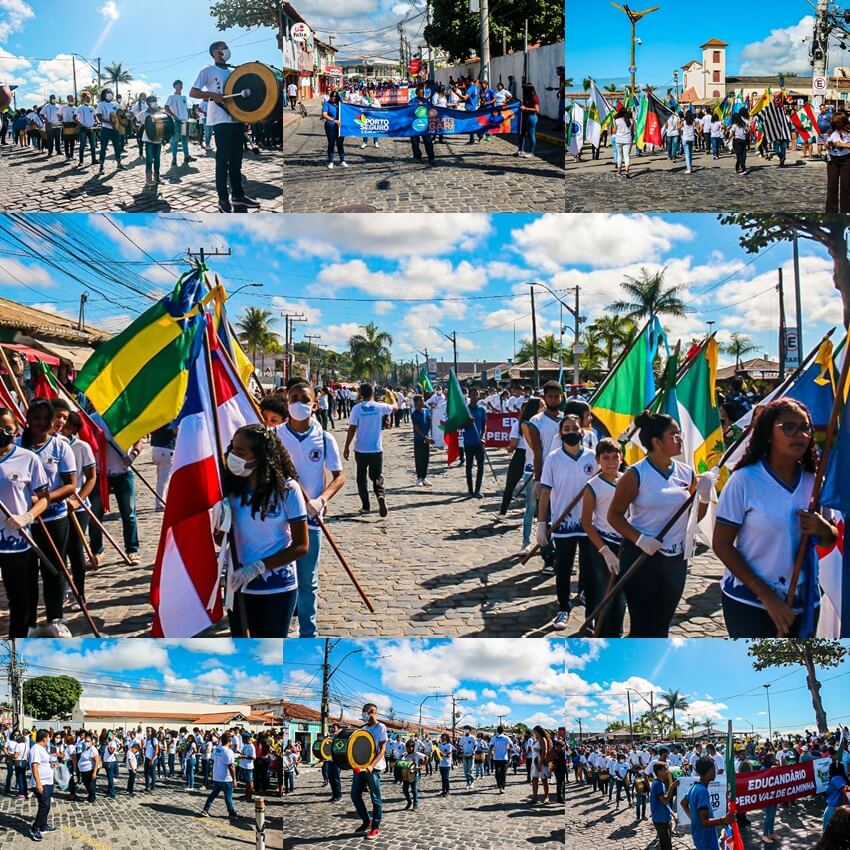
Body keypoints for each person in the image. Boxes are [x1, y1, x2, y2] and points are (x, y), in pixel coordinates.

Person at [714, 399, 838, 637]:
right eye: (789, 428)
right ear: (768, 433)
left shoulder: (814, 483)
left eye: (805, 428)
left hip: (805, 602)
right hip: (750, 603)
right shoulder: (744, 480)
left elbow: (829, 539)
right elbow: (722, 544)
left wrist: (823, 529)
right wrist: (767, 596)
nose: (800, 434)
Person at [608, 411, 712, 638]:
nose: (680, 438)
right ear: (656, 442)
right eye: (673, 434)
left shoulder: (686, 472)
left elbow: (693, 517)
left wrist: (703, 498)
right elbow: (614, 516)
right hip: (641, 558)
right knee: (643, 626)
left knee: (663, 624)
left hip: (675, 559)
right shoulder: (635, 475)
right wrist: (640, 539)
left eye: (679, 433)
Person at [221, 424, 309, 637]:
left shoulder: (287, 490)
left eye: (241, 452)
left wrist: (258, 567)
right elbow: (222, 538)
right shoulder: (231, 489)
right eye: (233, 449)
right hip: (239, 587)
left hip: (277, 588)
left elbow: (301, 546)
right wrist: (218, 523)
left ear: (260, 457)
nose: (234, 456)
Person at [274, 381, 345, 638]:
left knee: (307, 581)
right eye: (293, 399)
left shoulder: (325, 438)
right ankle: (281, 626)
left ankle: (308, 634)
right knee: (282, 579)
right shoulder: (275, 436)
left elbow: (339, 476)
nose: (298, 404)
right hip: (278, 520)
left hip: (310, 519)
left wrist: (322, 500)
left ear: (315, 404)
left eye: (304, 399)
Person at [18, 400, 77, 636]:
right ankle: (29, 622)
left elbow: (70, 485)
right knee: (27, 572)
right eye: (37, 418)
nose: (41, 423)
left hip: (54, 519)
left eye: (46, 418)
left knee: (54, 568)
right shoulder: (17, 448)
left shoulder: (61, 447)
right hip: (25, 523)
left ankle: (55, 617)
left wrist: (45, 500)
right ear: (28, 420)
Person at [537, 415, 599, 630]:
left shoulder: (593, 458)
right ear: (560, 433)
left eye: (575, 427)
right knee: (563, 568)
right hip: (563, 524)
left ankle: (591, 612)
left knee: (590, 569)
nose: (571, 431)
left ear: (582, 431)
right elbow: (545, 492)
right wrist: (542, 523)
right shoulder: (553, 459)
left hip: (590, 524)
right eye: (566, 428)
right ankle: (563, 606)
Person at [190, 41, 260, 213]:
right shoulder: (207, 70)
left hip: (236, 119)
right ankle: (222, 199)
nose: (227, 51)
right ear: (216, 52)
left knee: (236, 161)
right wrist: (212, 94)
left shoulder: (233, 72)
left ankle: (238, 196)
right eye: (224, 48)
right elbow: (193, 92)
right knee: (222, 161)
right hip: (220, 120)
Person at [0, 407, 51, 639]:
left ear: (16, 430)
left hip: (16, 543)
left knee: (19, 599)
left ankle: (16, 644)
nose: (2, 432)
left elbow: (44, 498)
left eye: (7, 429)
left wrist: (27, 516)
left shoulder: (27, 459)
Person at [580, 438, 626, 637]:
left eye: (615, 457)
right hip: (603, 543)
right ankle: (602, 634)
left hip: (625, 543)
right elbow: (586, 523)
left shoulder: (627, 481)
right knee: (604, 593)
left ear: (621, 458)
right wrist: (604, 550)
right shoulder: (592, 486)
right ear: (598, 460)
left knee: (621, 595)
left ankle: (616, 633)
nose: (611, 462)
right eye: (606, 458)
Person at [343, 384, 397, 517]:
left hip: (361, 449)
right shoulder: (379, 407)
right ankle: (380, 495)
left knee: (361, 478)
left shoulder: (357, 408)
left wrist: (346, 446)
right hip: (376, 449)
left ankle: (366, 506)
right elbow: (395, 408)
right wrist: (391, 397)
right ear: (373, 392)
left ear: (360, 393)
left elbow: (352, 428)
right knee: (377, 476)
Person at [350, 703, 387, 841]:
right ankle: (367, 821)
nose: (363, 714)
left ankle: (375, 827)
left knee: (375, 798)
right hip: (360, 767)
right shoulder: (363, 728)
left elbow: (382, 749)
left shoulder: (381, 727)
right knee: (354, 795)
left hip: (374, 768)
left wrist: (372, 765)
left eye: (364, 711)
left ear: (372, 712)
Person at [681, 756, 735, 850]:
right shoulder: (702, 791)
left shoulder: (694, 787)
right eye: (714, 768)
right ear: (710, 770)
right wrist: (723, 820)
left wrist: (694, 818)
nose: (715, 771)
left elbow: (683, 803)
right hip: (706, 839)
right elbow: (705, 822)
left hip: (699, 835)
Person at [202, 731, 240, 819]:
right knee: (228, 797)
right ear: (230, 741)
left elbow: (212, 759)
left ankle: (205, 809)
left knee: (213, 794)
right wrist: (234, 779)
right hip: (226, 778)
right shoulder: (229, 751)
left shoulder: (216, 749)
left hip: (216, 776)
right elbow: (231, 766)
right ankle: (232, 813)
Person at [462, 388, 487, 497]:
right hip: (468, 442)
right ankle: (470, 489)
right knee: (469, 466)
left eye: (476, 394)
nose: (475, 396)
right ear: (469, 396)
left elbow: (484, 425)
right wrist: (468, 422)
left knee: (481, 466)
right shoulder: (465, 410)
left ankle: (478, 489)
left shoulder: (482, 410)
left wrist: (483, 437)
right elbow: (460, 426)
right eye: (473, 394)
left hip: (479, 442)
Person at [164, 79, 195, 168]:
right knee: (175, 140)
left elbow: (186, 109)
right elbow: (166, 107)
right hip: (177, 121)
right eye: (178, 84)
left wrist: (189, 117)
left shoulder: (184, 97)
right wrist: (174, 116)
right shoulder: (171, 96)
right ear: (174, 86)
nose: (180, 86)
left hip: (184, 121)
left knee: (185, 140)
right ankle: (174, 158)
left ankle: (186, 157)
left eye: (181, 84)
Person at [649, 761, 678, 850]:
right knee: (666, 845)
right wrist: (672, 787)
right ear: (659, 771)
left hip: (665, 817)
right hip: (660, 819)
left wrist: (672, 814)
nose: (667, 771)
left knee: (667, 843)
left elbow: (665, 804)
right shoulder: (657, 784)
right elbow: (665, 801)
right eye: (665, 770)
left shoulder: (661, 783)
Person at [94, 88, 123, 175]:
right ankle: (101, 166)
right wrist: (109, 122)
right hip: (106, 129)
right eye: (107, 93)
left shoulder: (115, 104)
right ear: (104, 95)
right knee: (103, 148)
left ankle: (119, 164)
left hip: (115, 129)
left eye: (110, 92)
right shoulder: (101, 104)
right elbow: (99, 117)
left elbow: (121, 114)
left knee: (117, 146)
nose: (109, 94)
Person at [826, 111, 850, 213]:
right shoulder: (831, 132)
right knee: (832, 187)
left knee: (846, 187)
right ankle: (831, 212)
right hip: (833, 160)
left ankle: (846, 212)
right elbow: (826, 144)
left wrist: (842, 145)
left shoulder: (848, 132)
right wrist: (828, 145)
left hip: (846, 160)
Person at [149, 424, 176, 510]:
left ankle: (163, 500)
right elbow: (176, 430)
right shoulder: (169, 417)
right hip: (166, 449)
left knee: (162, 478)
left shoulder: (156, 417)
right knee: (164, 480)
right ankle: (160, 503)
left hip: (156, 448)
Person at [410, 394, 433, 486]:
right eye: (421, 400)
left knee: (426, 459)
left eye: (423, 400)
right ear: (416, 403)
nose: (423, 402)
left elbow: (431, 421)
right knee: (419, 458)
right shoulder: (414, 414)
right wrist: (425, 437)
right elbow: (416, 428)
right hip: (419, 439)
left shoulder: (427, 411)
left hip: (427, 439)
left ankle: (424, 477)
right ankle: (419, 478)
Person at [321, 91, 346, 170]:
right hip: (330, 126)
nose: (333, 99)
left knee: (340, 143)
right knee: (331, 143)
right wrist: (334, 120)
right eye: (332, 97)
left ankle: (342, 160)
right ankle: (331, 161)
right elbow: (324, 115)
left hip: (340, 126)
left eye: (335, 97)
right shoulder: (327, 104)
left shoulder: (340, 104)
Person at [410, 85, 435, 164]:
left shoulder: (426, 101)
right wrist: (417, 105)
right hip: (415, 125)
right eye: (420, 93)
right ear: (417, 93)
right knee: (415, 142)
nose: (422, 94)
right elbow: (408, 109)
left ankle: (431, 157)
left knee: (428, 142)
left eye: (423, 93)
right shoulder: (412, 101)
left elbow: (431, 109)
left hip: (425, 125)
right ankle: (417, 156)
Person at [529, 726, 551, 805]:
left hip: (541, 762)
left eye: (534, 731)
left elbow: (544, 752)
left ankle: (546, 797)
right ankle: (535, 797)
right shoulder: (536, 740)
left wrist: (540, 763)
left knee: (544, 780)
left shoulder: (543, 739)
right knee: (534, 780)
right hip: (534, 762)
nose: (534, 733)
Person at [74, 91, 97, 167]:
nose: (88, 99)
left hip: (91, 128)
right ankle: (81, 161)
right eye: (87, 98)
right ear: (83, 99)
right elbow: (74, 117)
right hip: (83, 129)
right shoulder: (80, 108)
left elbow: (95, 116)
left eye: (89, 98)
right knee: (82, 145)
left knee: (93, 145)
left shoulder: (92, 108)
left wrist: (98, 122)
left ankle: (94, 160)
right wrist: (79, 124)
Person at [517, 84, 540, 158]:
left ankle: (531, 152)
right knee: (521, 133)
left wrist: (526, 108)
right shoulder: (526, 97)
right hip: (524, 116)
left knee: (531, 135)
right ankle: (521, 150)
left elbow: (537, 110)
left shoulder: (534, 98)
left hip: (531, 117)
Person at [491, 725, 512, 794]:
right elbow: (511, 745)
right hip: (503, 758)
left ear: (497, 730)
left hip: (497, 758)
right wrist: (508, 750)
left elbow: (491, 746)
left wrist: (489, 755)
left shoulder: (494, 738)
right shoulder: (506, 737)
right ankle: (502, 787)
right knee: (503, 774)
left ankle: (500, 786)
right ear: (503, 731)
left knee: (497, 774)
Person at [613, 108, 633, 177]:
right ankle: (627, 170)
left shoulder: (617, 120)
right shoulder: (631, 120)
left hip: (619, 140)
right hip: (628, 139)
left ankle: (619, 171)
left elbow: (614, 131)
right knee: (626, 156)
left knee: (619, 156)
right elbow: (633, 131)